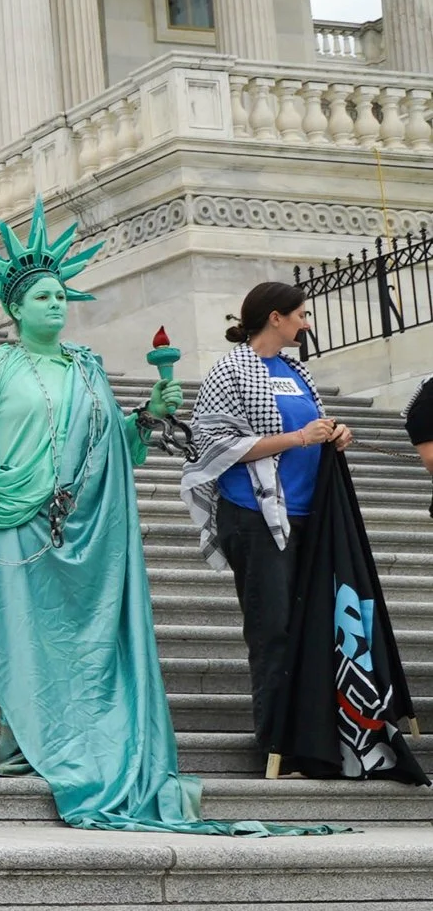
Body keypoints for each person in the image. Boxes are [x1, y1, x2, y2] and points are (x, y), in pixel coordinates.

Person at [0, 206, 329, 835]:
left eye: (60, 296)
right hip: (21, 521)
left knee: (89, 643)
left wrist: (146, 415)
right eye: (41, 298)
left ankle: (91, 733)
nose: (55, 305)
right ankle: (27, 742)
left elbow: (115, 442)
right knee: (26, 638)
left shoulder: (87, 366)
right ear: (17, 309)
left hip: (92, 525)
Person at [183, 281, 352, 756]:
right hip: (256, 517)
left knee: (311, 627)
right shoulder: (230, 370)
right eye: (300, 313)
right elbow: (214, 445)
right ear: (275, 318)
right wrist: (299, 437)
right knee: (272, 628)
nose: (307, 321)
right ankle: (278, 743)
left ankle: (314, 737)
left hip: (307, 515)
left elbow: (309, 427)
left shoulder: (297, 371)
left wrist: (333, 434)